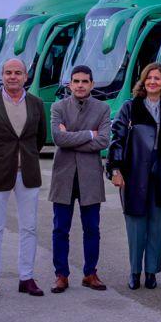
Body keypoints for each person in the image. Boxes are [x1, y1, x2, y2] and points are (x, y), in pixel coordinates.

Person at [0, 58, 49, 300]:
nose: (12, 77)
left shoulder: (36, 104)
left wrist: (23, 160)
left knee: (29, 227)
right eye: (8, 73)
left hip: (28, 175)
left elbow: (40, 138)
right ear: (1, 76)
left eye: (17, 73)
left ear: (26, 76)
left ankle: (26, 277)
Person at [109, 62, 161, 290]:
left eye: (157, 79)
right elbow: (116, 139)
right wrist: (115, 169)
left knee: (157, 225)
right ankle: (134, 272)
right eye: (149, 78)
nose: (153, 82)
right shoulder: (130, 108)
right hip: (135, 172)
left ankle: (151, 272)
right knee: (135, 224)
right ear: (143, 81)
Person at [50, 65, 112, 292]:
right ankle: (61, 275)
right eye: (76, 81)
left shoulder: (103, 108)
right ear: (70, 84)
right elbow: (58, 138)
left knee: (92, 229)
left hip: (90, 177)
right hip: (64, 176)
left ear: (92, 84)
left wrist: (70, 137)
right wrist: (88, 134)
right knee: (60, 229)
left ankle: (90, 273)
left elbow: (104, 141)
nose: (80, 85)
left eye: (85, 81)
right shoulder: (58, 107)